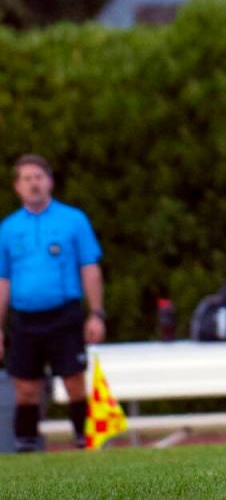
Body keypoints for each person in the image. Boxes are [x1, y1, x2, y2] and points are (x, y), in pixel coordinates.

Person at [0, 154, 105, 451]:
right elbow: (2, 280)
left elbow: (90, 267)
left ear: (50, 182)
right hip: (24, 319)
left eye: (38, 177)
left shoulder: (73, 220)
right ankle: (26, 445)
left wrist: (96, 313)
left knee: (73, 381)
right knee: (25, 387)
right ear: (17, 186)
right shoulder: (8, 229)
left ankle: (83, 440)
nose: (33, 184)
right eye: (27, 179)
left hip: (64, 315)